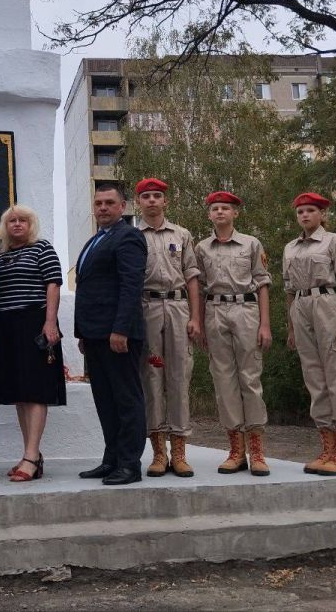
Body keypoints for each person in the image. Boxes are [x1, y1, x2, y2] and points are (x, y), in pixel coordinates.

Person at [74, 185, 148, 486]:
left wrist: (120, 329)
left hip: (118, 335)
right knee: (105, 400)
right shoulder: (96, 240)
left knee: (126, 399)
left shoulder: (128, 236)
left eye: (109, 203)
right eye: (98, 203)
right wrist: (83, 333)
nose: (103, 208)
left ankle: (130, 465)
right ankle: (112, 459)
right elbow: (90, 289)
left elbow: (131, 285)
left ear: (123, 206)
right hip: (95, 335)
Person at [194, 191, 272, 476]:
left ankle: (257, 450)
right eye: (214, 208)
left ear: (235, 213)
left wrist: (265, 324)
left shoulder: (251, 244)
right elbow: (199, 287)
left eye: (225, 208)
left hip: (245, 310)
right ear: (209, 214)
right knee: (223, 381)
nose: (220, 213)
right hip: (215, 311)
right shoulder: (202, 248)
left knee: (250, 379)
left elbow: (263, 282)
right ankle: (236, 450)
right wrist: (199, 323)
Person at [284, 192, 336, 476]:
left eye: (310, 211)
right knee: (315, 379)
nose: (304, 215)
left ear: (322, 215)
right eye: (300, 211)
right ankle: (327, 448)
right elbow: (289, 289)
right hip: (301, 308)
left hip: (329, 304)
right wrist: (291, 327)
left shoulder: (334, 241)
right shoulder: (290, 247)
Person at [0, 204, 66, 482]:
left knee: (36, 390)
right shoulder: (0, 255)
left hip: (35, 323)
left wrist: (50, 323)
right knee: (20, 393)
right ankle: (30, 454)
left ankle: (31, 456)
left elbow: (53, 285)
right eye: (12, 221)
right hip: (7, 327)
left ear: (30, 225)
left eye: (23, 220)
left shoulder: (42, 248)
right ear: (5, 227)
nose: (17, 224)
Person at [135, 177, 202, 478]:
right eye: (146, 196)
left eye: (156, 196)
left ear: (166, 202)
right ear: (138, 202)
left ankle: (180, 452)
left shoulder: (182, 234)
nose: (151, 200)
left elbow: (192, 276)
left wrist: (196, 317)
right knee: (151, 377)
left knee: (179, 378)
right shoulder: (134, 237)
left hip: (177, 307)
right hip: (147, 308)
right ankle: (158, 453)